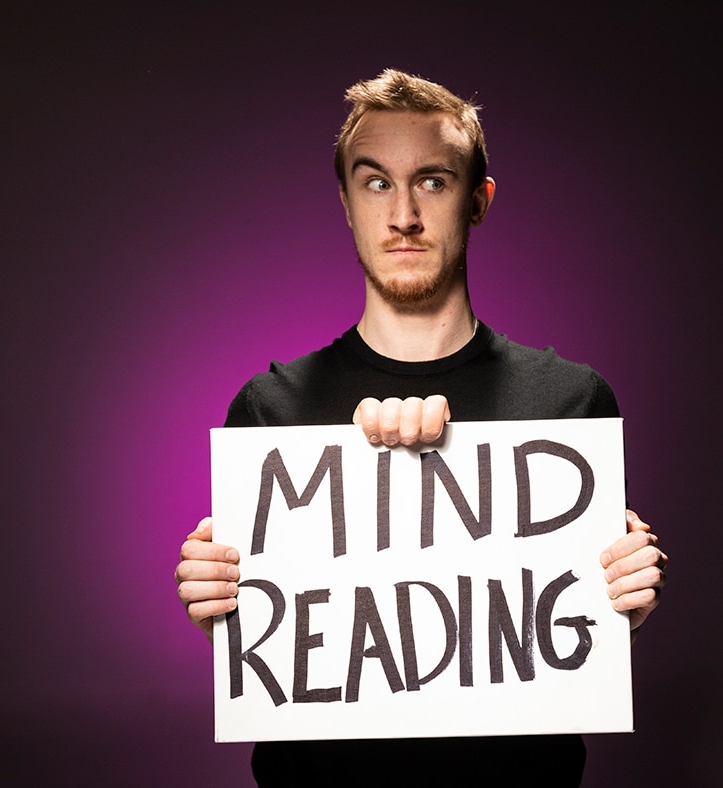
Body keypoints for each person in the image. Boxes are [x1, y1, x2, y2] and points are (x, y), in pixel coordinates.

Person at [173, 68, 668, 787]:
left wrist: (622, 603)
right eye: (376, 183)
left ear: (478, 200)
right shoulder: (270, 410)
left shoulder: (569, 404)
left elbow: (571, 634)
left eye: (433, 182)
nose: (402, 214)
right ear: (346, 204)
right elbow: (277, 642)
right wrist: (222, 607)